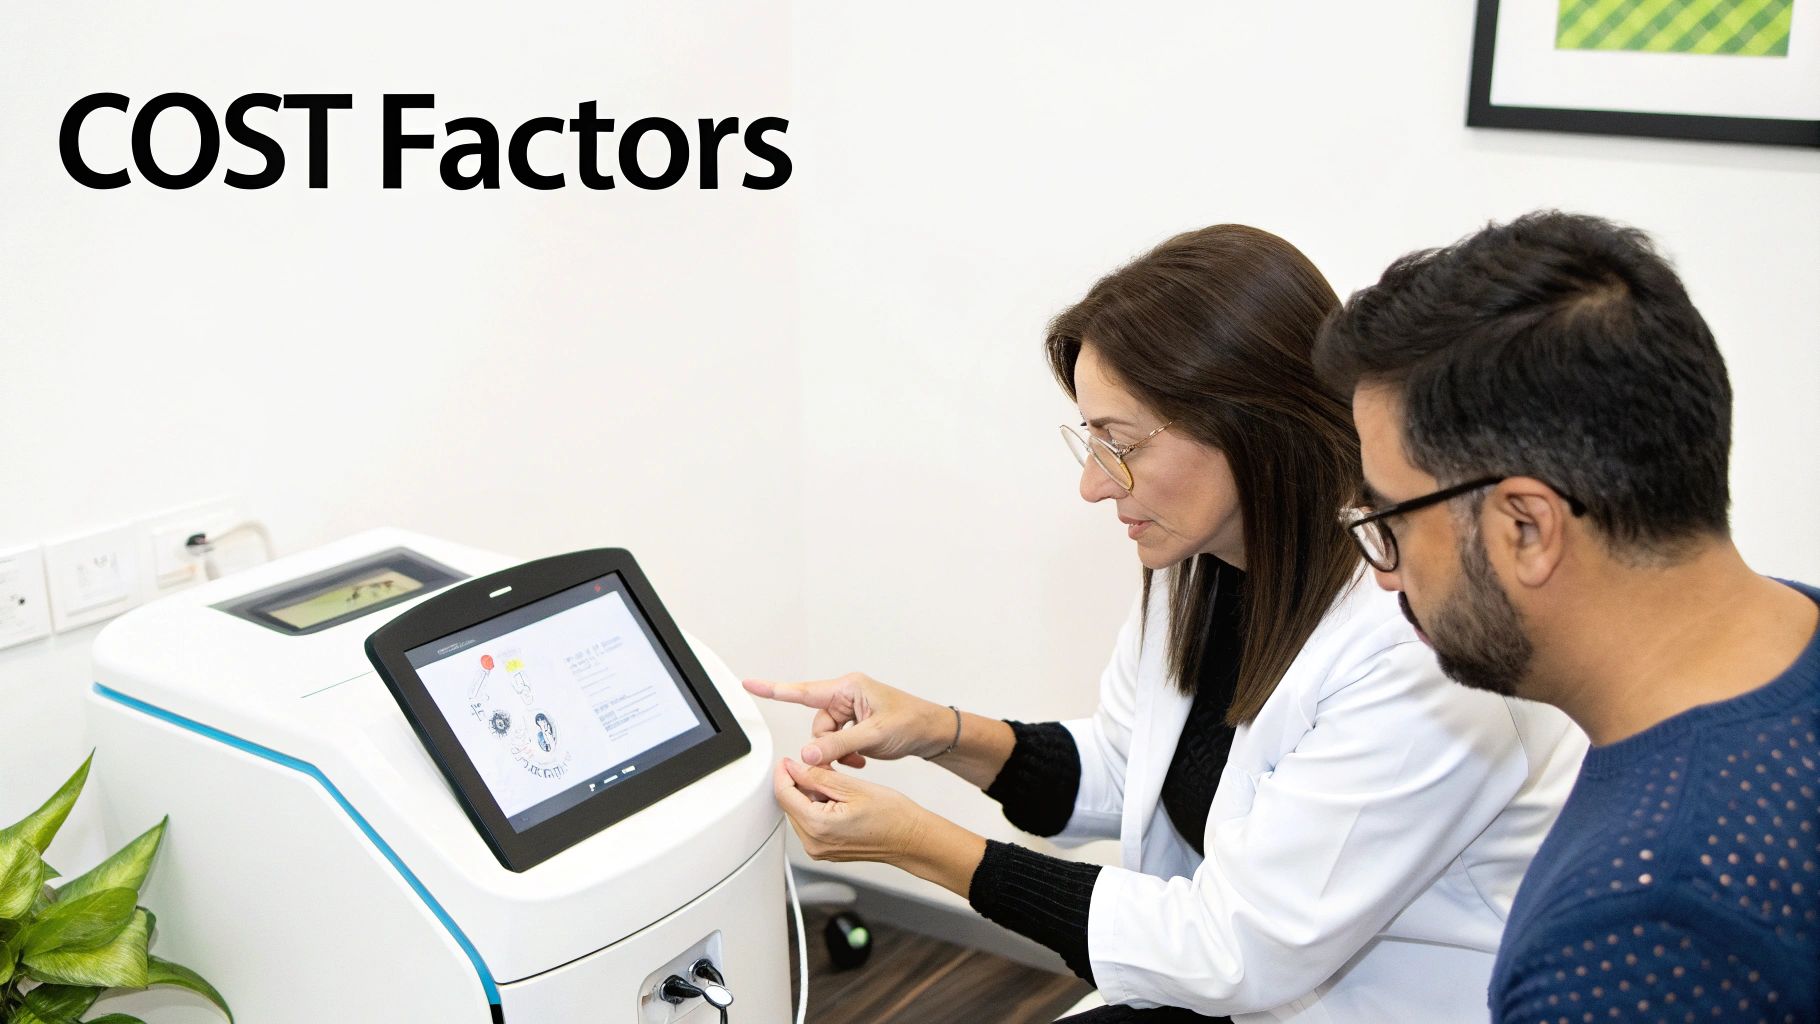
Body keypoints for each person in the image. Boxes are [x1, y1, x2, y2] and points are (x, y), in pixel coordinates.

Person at [746, 225, 1586, 1022]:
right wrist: (940, 732)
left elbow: (1237, 947)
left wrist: (916, 844)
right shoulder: (1203, 568)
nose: (1095, 486)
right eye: (1091, 443)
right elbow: (1129, 766)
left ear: (1252, 427)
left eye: (1123, 444)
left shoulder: (1418, 645)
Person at [1313, 210, 1819, 1023]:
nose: (1388, 575)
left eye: (1394, 519)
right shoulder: (1791, 632)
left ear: (1527, 527)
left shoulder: (1639, 930)